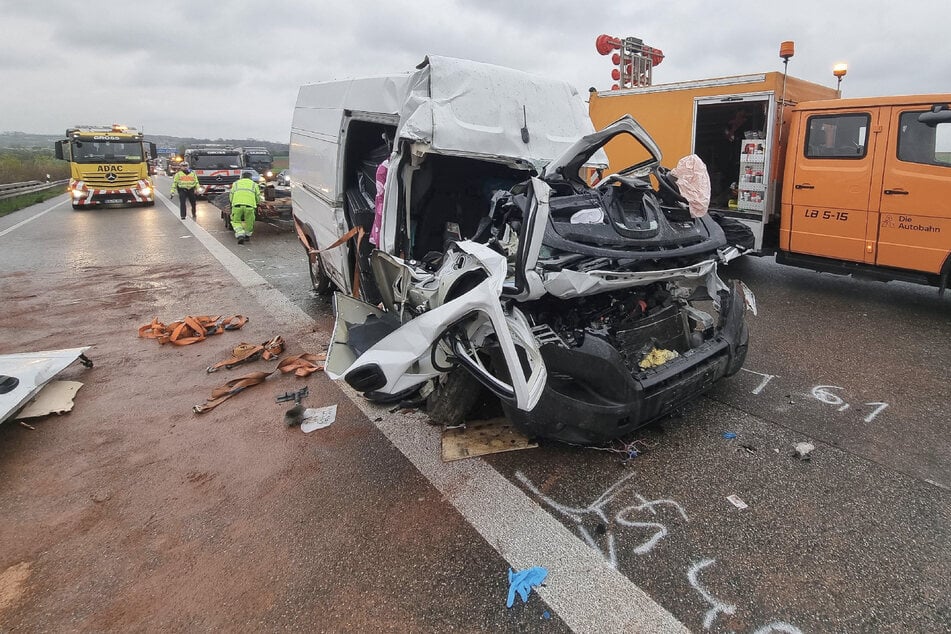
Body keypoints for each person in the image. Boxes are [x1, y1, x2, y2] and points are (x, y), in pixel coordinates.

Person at [229, 171, 261, 244]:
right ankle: (247, 236)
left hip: (237, 205)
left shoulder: (236, 183)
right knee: (250, 222)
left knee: (236, 221)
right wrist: (257, 202)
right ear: (251, 178)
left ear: (242, 177)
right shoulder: (254, 184)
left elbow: (231, 195)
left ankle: (240, 234)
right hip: (249, 206)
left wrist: (232, 202)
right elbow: (258, 196)